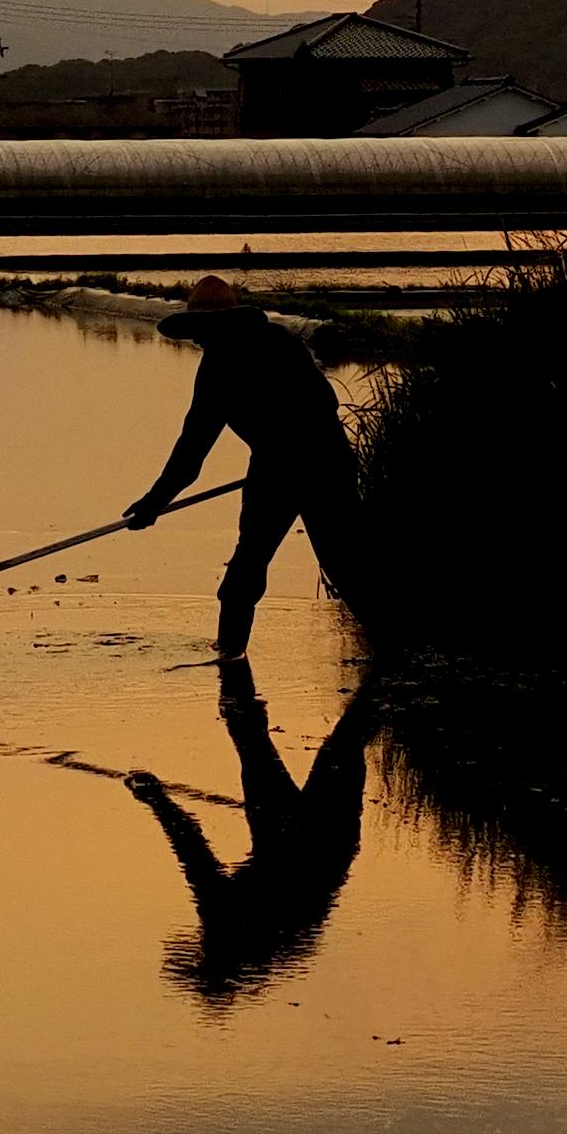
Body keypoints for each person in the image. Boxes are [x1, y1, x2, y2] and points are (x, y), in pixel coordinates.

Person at [128, 273, 381, 656]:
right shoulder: (216, 367)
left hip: (320, 464)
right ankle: (230, 656)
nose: (200, 339)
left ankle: (395, 647)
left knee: (345, 567)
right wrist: (155, 501)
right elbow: (192, 447)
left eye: (205, 330)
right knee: (245, 576)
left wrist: (286, 455)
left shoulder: (275, 347)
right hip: (277, 467)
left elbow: (320, 407)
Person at [125, 664, 376, 1001]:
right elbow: (191, 848)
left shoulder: (261, 944)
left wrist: (158, 799)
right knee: (336, 741)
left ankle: (237, 676)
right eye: (198, 955)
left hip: (296, 838)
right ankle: (389, 671)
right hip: (320, 838)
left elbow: (193, 850)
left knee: (254, 732)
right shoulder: (237, 931)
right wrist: (156, 799)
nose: (196, 943)